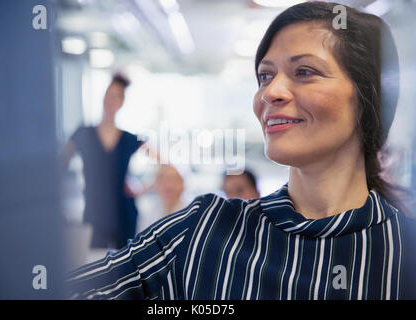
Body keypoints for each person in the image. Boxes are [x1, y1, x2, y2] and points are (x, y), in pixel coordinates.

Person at [65, 2, 416, 299]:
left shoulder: (404, 253)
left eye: (305, 71)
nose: (270, 92)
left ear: (368, 99)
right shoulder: (204, 231)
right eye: (265, 76)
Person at [63, 72, 145, 249]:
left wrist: (142, 188)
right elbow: (60, 164)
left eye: (116, 97)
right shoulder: (84, 133)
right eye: (108, 94)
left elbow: (165, 164)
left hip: (124, 217)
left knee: (125, 272)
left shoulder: (129, 138)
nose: (110, 100)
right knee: (93, 268)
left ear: (121, 103)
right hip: (94, 215)